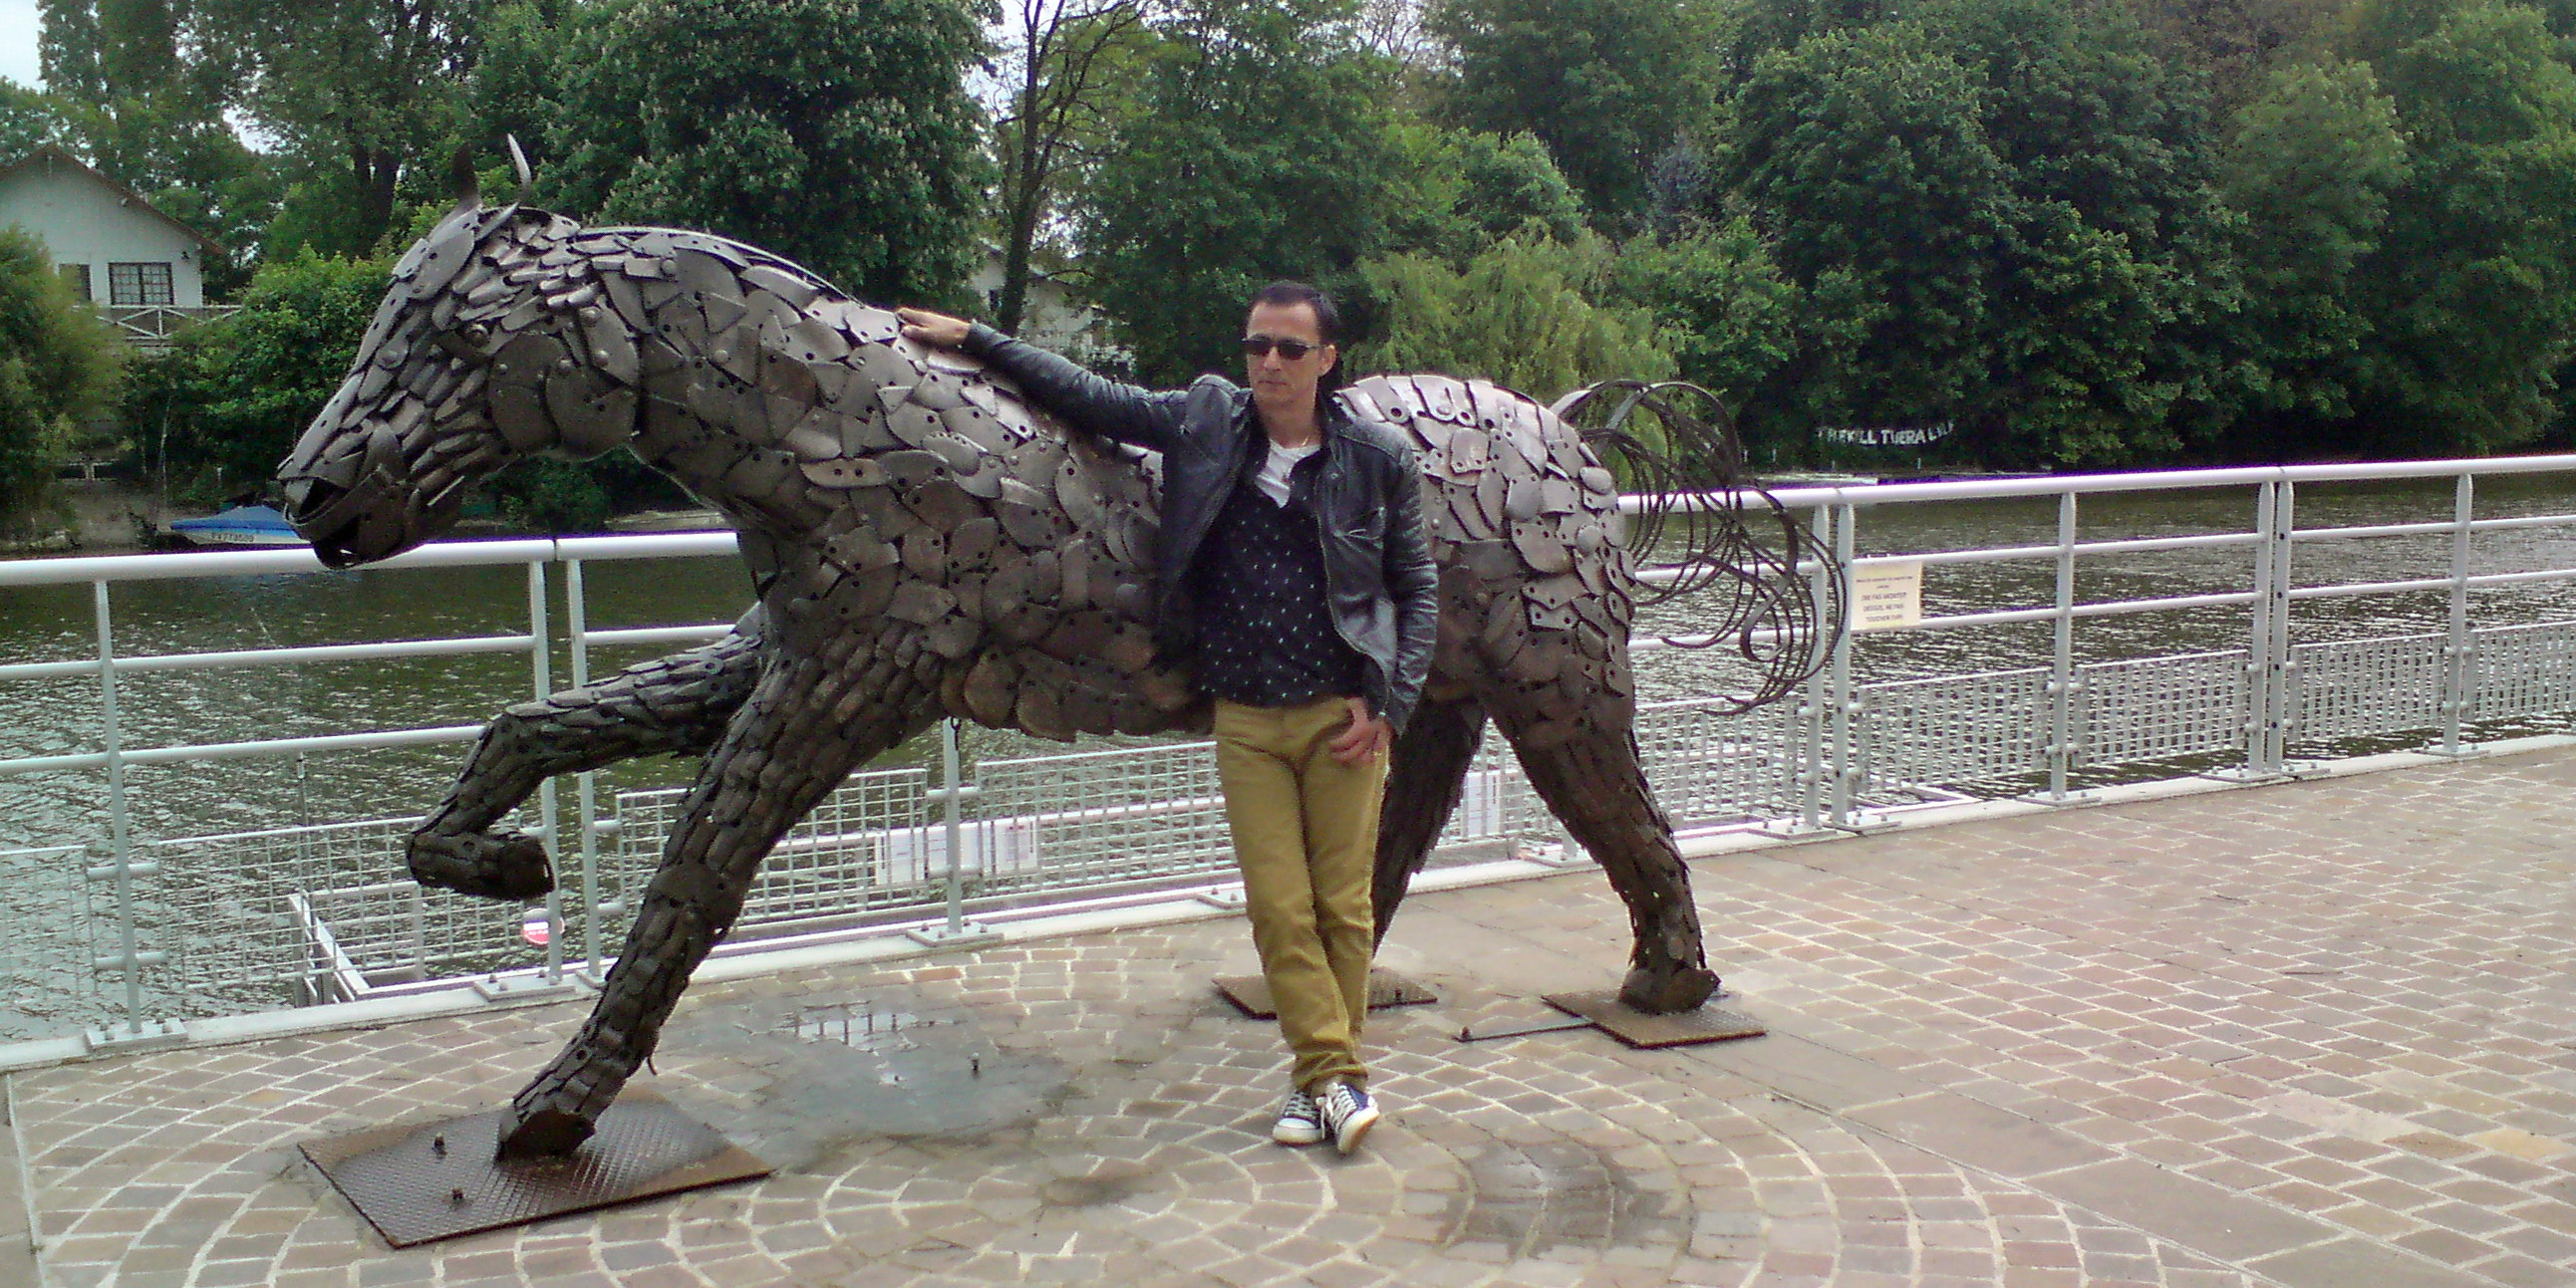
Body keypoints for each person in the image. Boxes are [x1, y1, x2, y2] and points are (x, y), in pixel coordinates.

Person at [898, 284, 1438, 1155]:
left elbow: (1415, 589)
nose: (1269, 362)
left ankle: (1319, 1083)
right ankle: (1335, 1079)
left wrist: (1389, 705)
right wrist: (978, 338)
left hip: (1340, 715)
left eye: (1289, 349)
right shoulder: (1206, 420)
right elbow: (1088, 395)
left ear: (1327, 359)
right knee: (1278, 908)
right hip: (1246, 715)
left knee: (1341, 909)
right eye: (1257, 344)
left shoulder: (1377, 457)